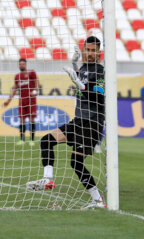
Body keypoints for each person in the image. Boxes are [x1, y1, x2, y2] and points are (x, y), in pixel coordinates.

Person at [26, 36, 106, 209]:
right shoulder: (84, 68)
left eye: (94, 50)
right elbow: (80, 79)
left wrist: (78, 82)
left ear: (99, 52)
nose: (90, 53)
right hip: (78, 121)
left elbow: (98, 95)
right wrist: (74, 64)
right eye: (88, 50)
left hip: (92, 123)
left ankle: (98, 200)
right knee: (46, 140)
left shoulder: (100, 71)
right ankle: (48, 179)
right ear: (83, 50)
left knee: (76, 163)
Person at [4, 58, 39, 146]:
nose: (21, 65)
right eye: (20, 64)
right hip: (22, 101)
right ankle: (22, 140)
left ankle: (31, 140)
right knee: (22, 120)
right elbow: (15, 89)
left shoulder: (31, 73)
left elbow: (36, 82)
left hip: (31, 101)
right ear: (18, 65)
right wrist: (8, 100)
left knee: (31, 119)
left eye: (23, 64)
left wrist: (36, 91)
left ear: (26, 64)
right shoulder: (17, 76)